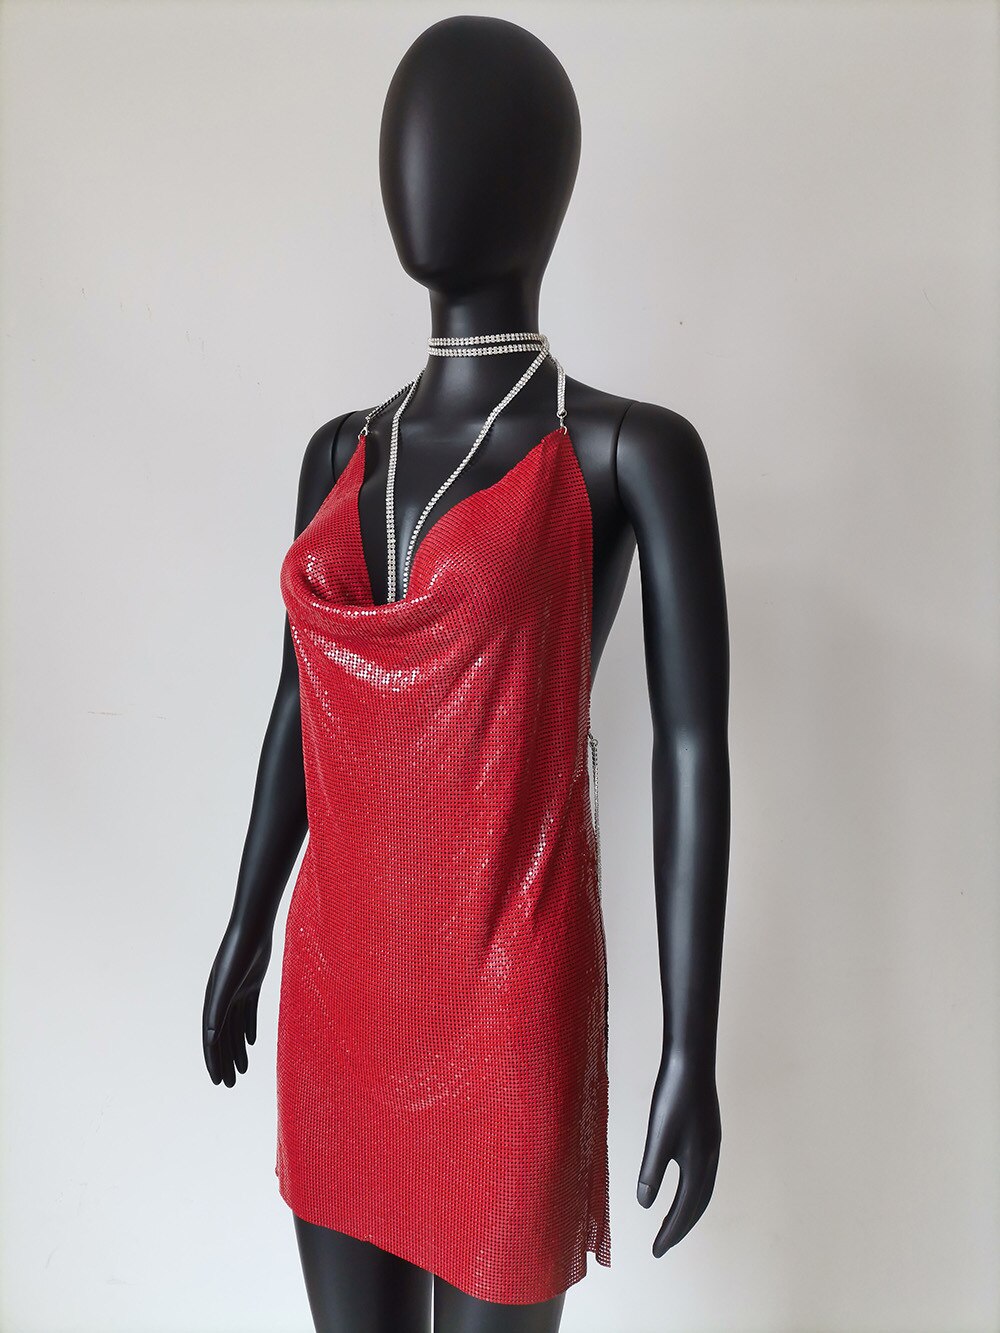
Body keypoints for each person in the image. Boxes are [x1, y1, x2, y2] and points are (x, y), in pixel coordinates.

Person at [203, 15, 729, 1333]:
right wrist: (246, 926)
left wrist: (690, 1046)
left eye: (455, 141)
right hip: (340, 996)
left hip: (507, 1008)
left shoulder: (625, 451)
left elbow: (693, 751)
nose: (420, 172)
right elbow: (297, 711)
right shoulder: (340, 453)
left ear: (542, 180)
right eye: (405, 142)